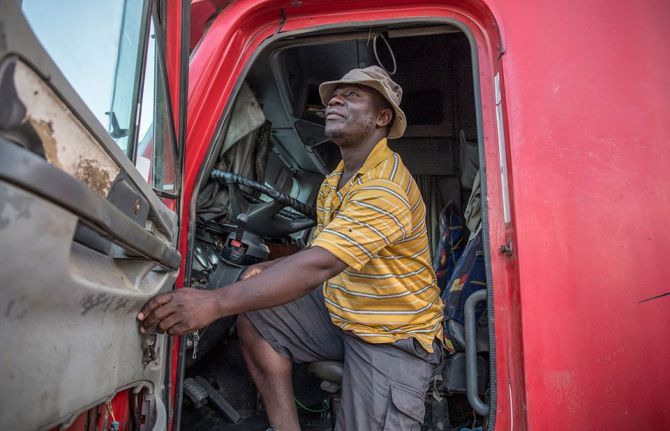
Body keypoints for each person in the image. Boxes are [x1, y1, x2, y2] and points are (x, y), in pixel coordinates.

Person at [137, 66, 444, 430]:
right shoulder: (336, 179)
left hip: (391, 336)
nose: (335, 100)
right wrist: (264, 272)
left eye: (353, 96)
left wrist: (213, 302)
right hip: (344, 313)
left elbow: (320, 265)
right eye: (335, 95)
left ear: (382, 117)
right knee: (258, 312)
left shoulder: (384, 188)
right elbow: (322, 248)